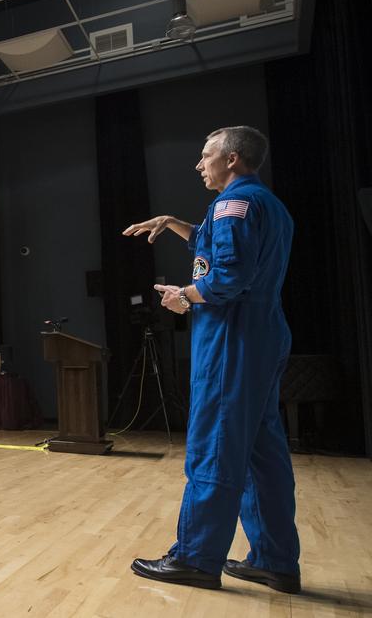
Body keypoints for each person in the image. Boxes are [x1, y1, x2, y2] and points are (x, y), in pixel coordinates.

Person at [124, 126, 301, 593]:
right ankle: (275, 561)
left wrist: (184, 295)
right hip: (263, 335)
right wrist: (177, 223)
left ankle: (197, 558)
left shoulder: (230, 205)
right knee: (263, 453)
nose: (200, 165)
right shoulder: (267, 204)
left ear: (234, 159)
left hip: (231, 338)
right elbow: (219, 247)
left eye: (207, 156)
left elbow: (225, 277)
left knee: (216, 444)